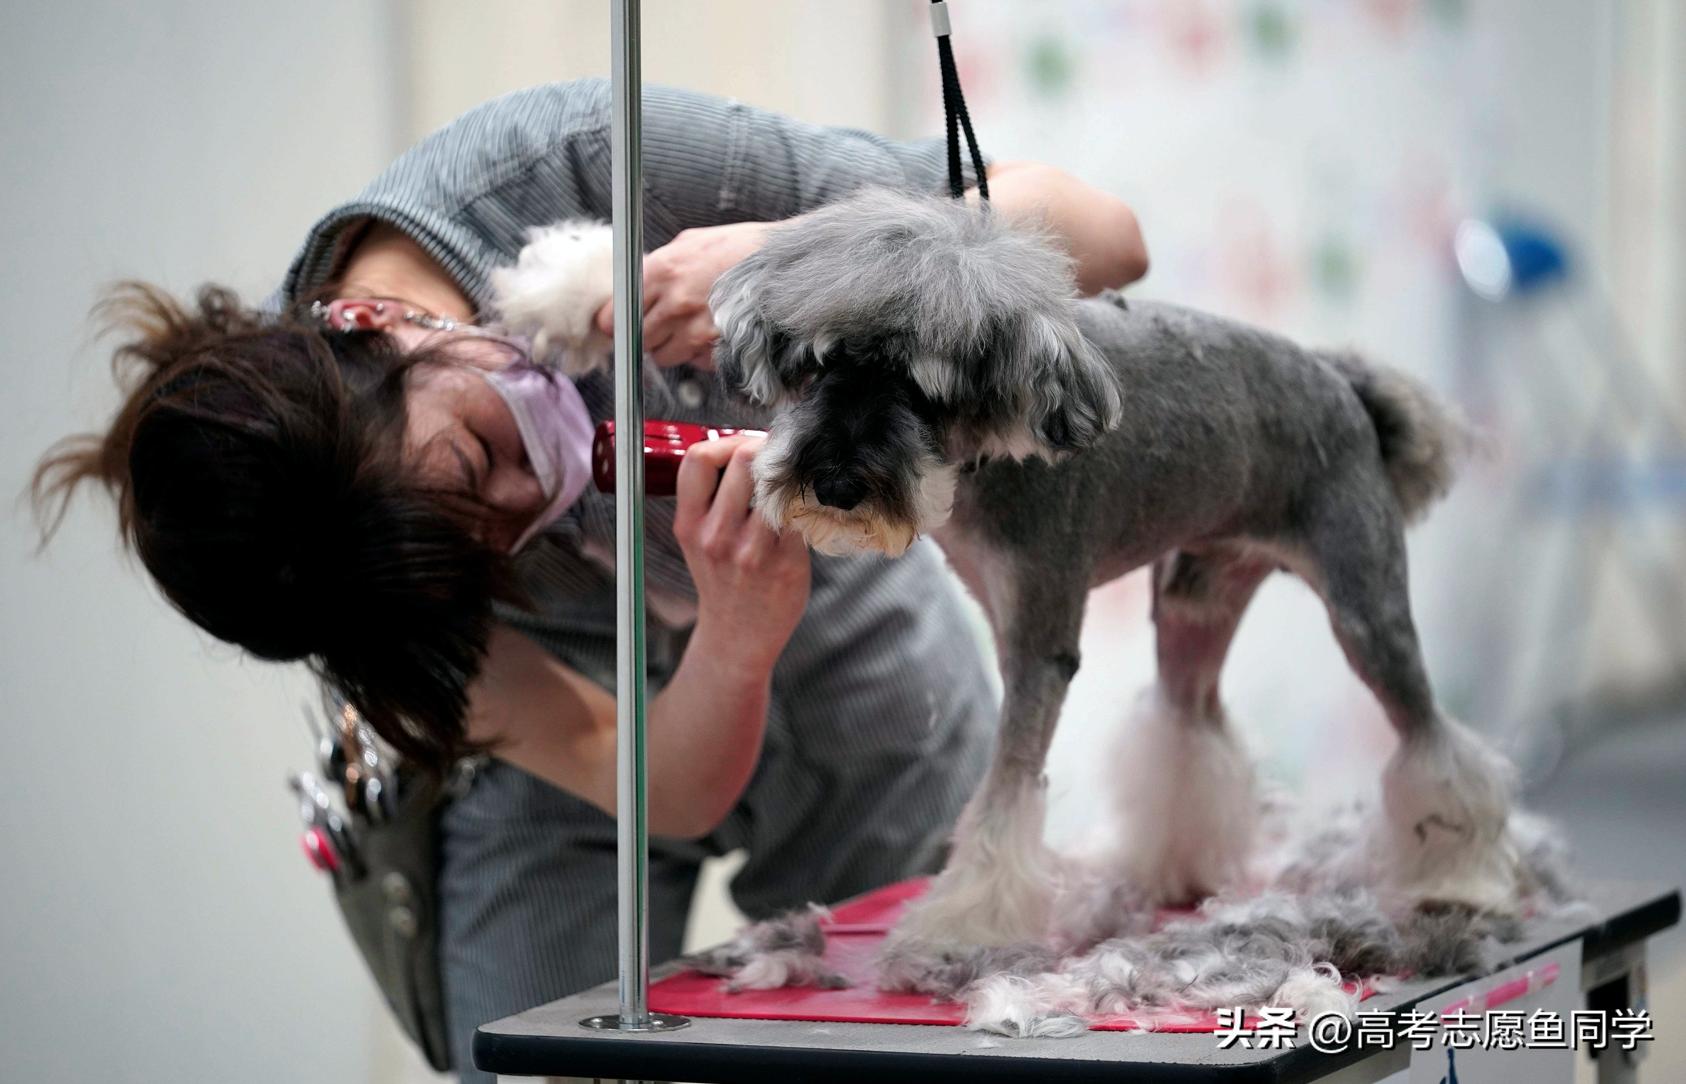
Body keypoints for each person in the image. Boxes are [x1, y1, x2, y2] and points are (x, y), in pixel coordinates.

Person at [34, 80, 1147, 1080]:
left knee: (923, 1040)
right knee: (531, 1050)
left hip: (854, 625)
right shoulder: (361, 598)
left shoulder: (572, 158)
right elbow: (659, 787)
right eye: (483, 555)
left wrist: (785, 258)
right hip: (574, 759)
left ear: (371, 322)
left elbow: (1103, 237)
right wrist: (733, 643)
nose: (526, 507)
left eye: (474, 458)